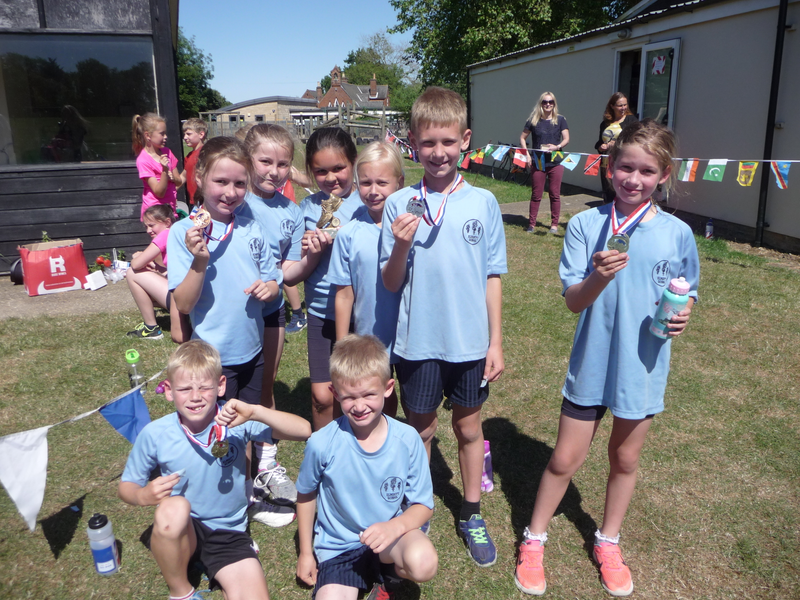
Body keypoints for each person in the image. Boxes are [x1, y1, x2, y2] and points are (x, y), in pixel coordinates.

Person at [513, 120, 700, 597]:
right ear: (609, 167)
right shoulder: (585, 225)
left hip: (643, 365)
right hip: (592, 363)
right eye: (625, 168)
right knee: (564, 459)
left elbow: (687, 289)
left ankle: (608, 540)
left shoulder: (678, 234)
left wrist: (684, 314)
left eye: (646, 171)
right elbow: (574, 301)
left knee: (624, 458)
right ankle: (534, 539)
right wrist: (597, 276)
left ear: (664, 175)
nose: (633, 179)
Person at [381, 87, 507, 567]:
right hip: (417, 344)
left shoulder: (485, 203)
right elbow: (391, 283)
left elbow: (492, 276)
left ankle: (471, 511)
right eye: (428, 142)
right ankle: (422, 507)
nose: (438, 152)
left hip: (471, 343)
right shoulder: (399, 205)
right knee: (421, 429)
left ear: (465, 141)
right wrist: (398, 246)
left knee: (469, 428)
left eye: (448, 142)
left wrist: (495, 341)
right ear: (413, 142)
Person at [119, 339, 311, 600]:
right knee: (173, 508)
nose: (195, 397)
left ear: (221, 386)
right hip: (185, 529)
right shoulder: (155, 434)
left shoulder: (236, 421)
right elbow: (127, 487)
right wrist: (142, 496)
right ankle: (181, 592)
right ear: (168, 390)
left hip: (229, 533)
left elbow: (303, 431)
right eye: (184, 389)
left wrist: (255, 412)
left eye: (204, 388)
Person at [167, 136, 290, 527]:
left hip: (252, 352)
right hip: (211, 363)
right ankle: (218, 513)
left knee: (247, 430)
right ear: (200, 177)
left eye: (240, 184)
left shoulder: (250, 225)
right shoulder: (183, 233)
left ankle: (247, 497)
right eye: (221, 182)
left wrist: (271, 286)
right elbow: (183, 304)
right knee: (215, 440)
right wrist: (199, 261)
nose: (231, 192)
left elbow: (271, 274)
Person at [295, 334, 438, 600]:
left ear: (388, 387)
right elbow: (305, 494)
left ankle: (387, 581)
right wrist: (305, 553)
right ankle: (369, 580)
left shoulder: (407, 440)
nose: (359, 406)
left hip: (389, 540)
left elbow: (423, 506)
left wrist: (394, 527)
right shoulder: (322, 442)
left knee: (424, 562)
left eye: (369, 394)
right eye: (349, 397)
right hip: (339, 548)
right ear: (335, 393)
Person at [237, 123, 327, 507]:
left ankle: (266, 465)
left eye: (282, 164)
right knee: (226, 391)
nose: (273, 171)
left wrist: (312, 254)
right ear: (247, 159)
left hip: (271, 313)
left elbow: (290, 269)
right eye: (265, 161)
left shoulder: (291, 212)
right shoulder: (233, 199)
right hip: (232, 313)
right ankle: (232, 473)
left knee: (264, 388)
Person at [328, 141, 405, 418]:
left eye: (382, 182)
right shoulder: (349, 234)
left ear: (400, 182)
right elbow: (344, 294)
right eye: (365, 183)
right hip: (370, 336)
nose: (373, 191)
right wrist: (342, 347)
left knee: (414, 403)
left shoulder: (413, 226)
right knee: (380, 398)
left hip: (411, 335)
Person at [300, 127, 364, 431]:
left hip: (364, 312)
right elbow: (297, 268)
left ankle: (362, 446)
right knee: (323, 396)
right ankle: (326, 454)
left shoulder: (370, 202)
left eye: (338, 168)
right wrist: (309, 250)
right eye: (321, 171)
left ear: (353, 162)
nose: (331, 177)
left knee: (360, 389)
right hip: (321, 310)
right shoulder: (307, 208)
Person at [519, 92, 569, 234]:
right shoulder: (533, 120)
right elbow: (523, 138)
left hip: (556, 161)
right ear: (541, 103)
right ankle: (532, 224)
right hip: (538, 161)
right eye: (545, 102)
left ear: (554, 103)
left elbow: (566, 139)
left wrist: (557, 147)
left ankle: (554, 224)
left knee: (555, 194)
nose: (548, 104)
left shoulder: (560, 120)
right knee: (536, 194)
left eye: (551, 102)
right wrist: (527, 155)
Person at [126, 204, 173, 340]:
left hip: (181, 299)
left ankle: (151, 328)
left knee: (132, 273)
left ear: (167, 222)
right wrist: (156, 267)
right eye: (146, 226)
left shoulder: (165, 234)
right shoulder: (178, 233)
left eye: (151, 225)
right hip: (192, 296)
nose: (148, 230)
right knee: (145, 288)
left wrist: (138, 257)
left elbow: (136, 264)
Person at [133, 112, 182, 220]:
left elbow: (179, 181)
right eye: (162, 134)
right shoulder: (143, 160)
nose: (166, 137)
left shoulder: (167, 152)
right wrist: (165, 171)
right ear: (148, 135)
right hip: (155, 214)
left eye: (165, 133)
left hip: (170, 209)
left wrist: (173, 178)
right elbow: (159, 192)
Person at [596, 93, 639, 203]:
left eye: (625, 105)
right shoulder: (605, 124)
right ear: (612, 106)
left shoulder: (632, 121)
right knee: (608, 190)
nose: (623, 108)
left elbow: (636, 141)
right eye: (620, 105)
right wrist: (601, 146)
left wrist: (618, 144)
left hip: (624, 162)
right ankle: (609, 213)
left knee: (621, 189)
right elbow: (599, 143)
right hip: (606, 162)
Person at [181, 118, 207, 205]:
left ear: (201, 134)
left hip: (204, 200)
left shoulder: (205, 153)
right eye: (184, 134)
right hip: (194, 201)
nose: (185, 137)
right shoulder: (189, 156)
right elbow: (183, 177)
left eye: (189, 134)